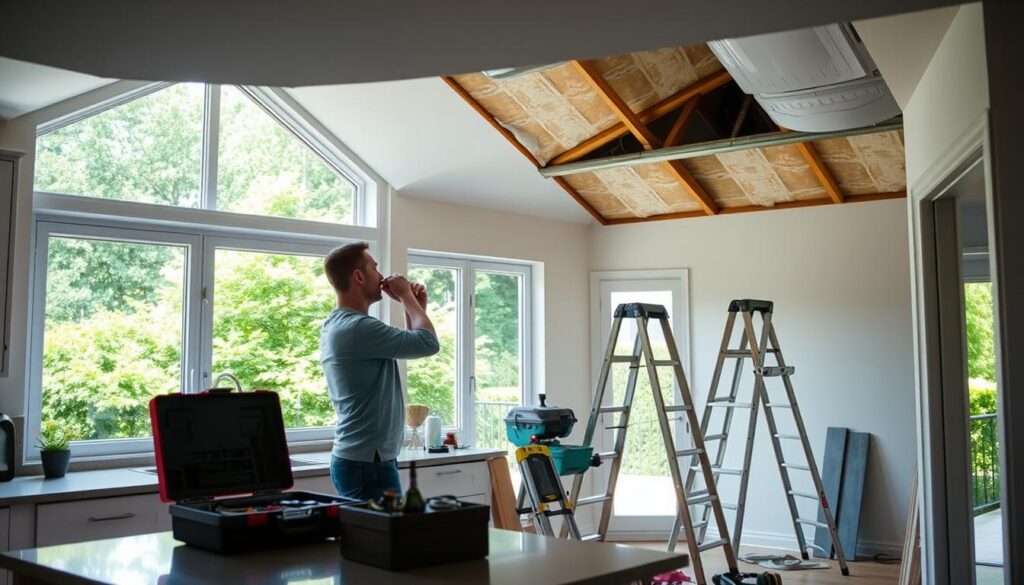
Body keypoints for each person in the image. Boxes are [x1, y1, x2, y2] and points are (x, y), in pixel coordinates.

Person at [320, 242, 439, 500]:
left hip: (365, 460)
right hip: (367, 464)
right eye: (375, 268)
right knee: (384, 540)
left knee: (379, 538)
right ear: (359, 276)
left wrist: (414, 303)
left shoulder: (340, 323)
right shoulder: (358, 327)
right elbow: (429, 344)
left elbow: (414, 345)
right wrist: (406, 296)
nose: (382, 276)